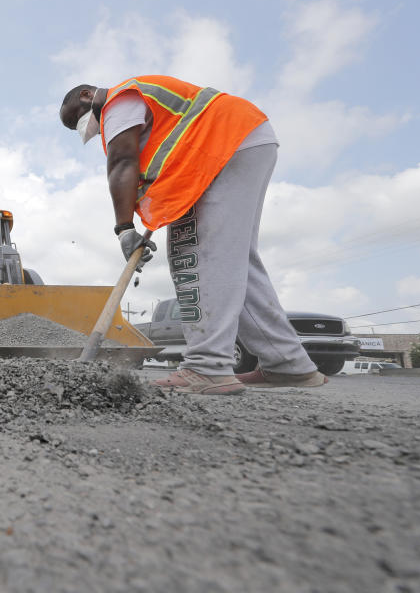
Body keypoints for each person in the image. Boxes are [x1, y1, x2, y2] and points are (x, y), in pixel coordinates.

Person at [60, 75, 327, 395]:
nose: (87, 126)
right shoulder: (146, 110)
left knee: (195, 252)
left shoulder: (120, 101)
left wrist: (124, 228)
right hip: (243, 140)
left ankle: (207, 367)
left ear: (88, 96)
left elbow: (122, 162)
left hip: (223, 147)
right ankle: (288, 364)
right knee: (233, 259)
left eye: (78, 118)